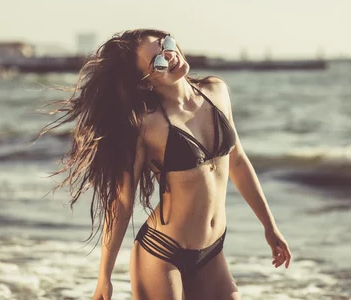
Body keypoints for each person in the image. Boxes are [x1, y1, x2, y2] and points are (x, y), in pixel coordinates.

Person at [43, 29, 292, 300]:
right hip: (162, 254)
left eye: (167, 45)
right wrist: (105, 276)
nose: (170, 56)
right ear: (146, 82)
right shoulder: (146, 124)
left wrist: (270, 226)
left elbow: (239, 163)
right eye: (157, 62)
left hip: (212, 252)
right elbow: (122, 202)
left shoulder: (216, 91)